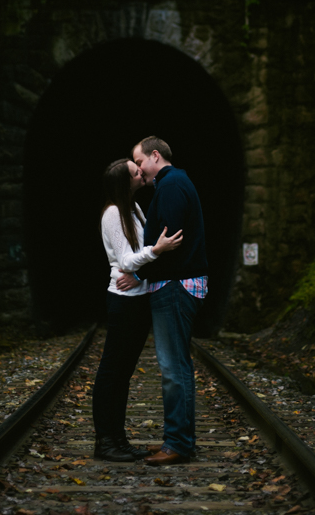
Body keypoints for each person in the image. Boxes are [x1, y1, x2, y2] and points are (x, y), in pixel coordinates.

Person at [117, 136, 208, 466]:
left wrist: (139, 275)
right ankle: (180, 440)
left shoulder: (170, 187)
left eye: (140, 162)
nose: (139, 170)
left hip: (174, 285)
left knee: (173, 368)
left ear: (156, 156)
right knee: (176, 366)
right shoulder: (176, 182)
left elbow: (170, 244)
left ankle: (178, 444)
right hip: (177, 284)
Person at [92, 156, 183, 462]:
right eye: (135, 172)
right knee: (112, 372)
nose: (141, 172)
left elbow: (136, 261)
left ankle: (118, 439)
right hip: (123, 302)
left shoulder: (133, 209)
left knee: (123, 373)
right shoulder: (113, 213)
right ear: (124, 181)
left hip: (137, 299)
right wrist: (157, 250)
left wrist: (149, 261)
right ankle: (106, 442)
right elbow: (127, 260)